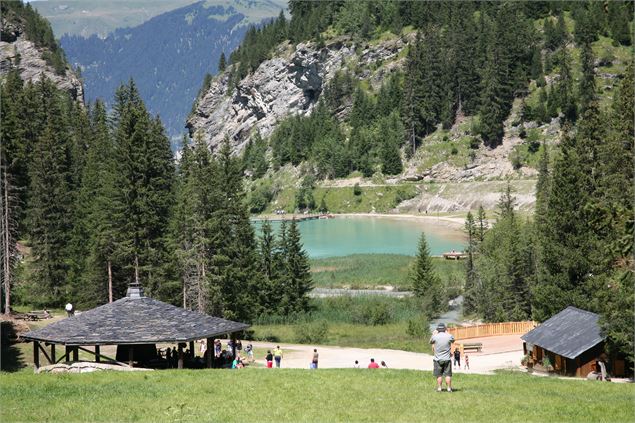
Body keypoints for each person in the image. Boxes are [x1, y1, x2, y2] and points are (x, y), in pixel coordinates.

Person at [430, 322, 455, 392]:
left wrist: (433, 334)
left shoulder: (435, 336)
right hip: (447, 359)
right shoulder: (449, 336)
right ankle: (449, 388)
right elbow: (453, 340)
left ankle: (439, 388)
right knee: (448, 375)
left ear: (438, 329)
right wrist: (447, 333)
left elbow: (431, 342)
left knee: (439, 375)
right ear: (445, 329)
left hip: (437, 359)